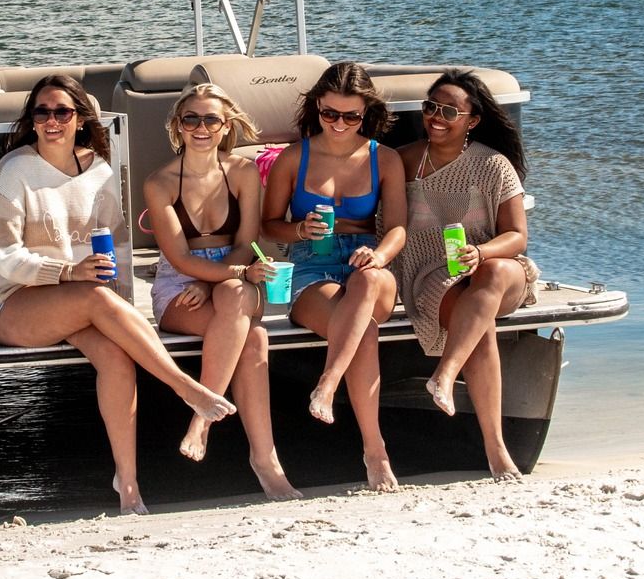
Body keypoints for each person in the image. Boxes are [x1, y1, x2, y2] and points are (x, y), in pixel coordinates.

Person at [0, 75, 234, 515]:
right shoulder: (13, 171)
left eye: (63, 111)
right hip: (14, 302)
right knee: (95, 300)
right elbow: (4, 257)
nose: (52, 120)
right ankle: (186, 389)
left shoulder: (98, 170)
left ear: (80, 118)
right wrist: (67, 271)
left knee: (117, 358)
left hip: (81, 300)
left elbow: (115, 247)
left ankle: (128, 487)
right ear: (32, 120)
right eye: (43, 112)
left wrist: (120, 308)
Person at [142, 83, 299, 500]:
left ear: (225, 125)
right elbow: (178, 258)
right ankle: (265, 461)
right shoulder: (159, 183)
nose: (201, 127)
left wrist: (221, 278)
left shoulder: (243, 172)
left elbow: (247, 242)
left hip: (234, 274)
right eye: (190, 118)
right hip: (182, 282)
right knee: (254, 335)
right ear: (178, 126)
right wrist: (208, 279)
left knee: (235, 297)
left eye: (211, 119)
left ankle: (202, 417)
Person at [261, 60, 408, 493]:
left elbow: (397, 227)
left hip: (369, 263)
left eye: (351, 116)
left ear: (366, 114)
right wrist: (298, 229)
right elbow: (268, 225)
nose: (340, 123)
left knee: (364, 287)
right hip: (311, 262)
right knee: (360, 332)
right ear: (317, 108)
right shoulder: (295, 157)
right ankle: (375, 449)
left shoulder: (386, 159)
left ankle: (328, 383)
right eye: (330, 113)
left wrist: (379, 254)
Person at [392, 68, 539, 480]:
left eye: (449, 111)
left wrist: (481, 251)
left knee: (491, 276)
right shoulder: (403, 161)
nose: (436, 117)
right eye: (430, 107)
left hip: (498, 268)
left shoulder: (493, 165)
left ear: (472, 120)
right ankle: (496, 450)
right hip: (432, 272)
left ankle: (444, 373)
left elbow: (516, 235)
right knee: (480, 327)